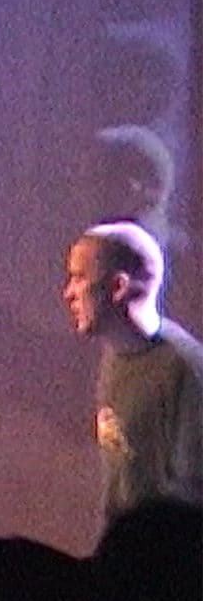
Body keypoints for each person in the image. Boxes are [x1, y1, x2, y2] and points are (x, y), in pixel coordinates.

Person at [62, 221, 203, 521]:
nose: (68, 293)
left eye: (79, 278)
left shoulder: (187, 371)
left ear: (118, 287)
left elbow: (191, 497)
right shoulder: (114, 356)